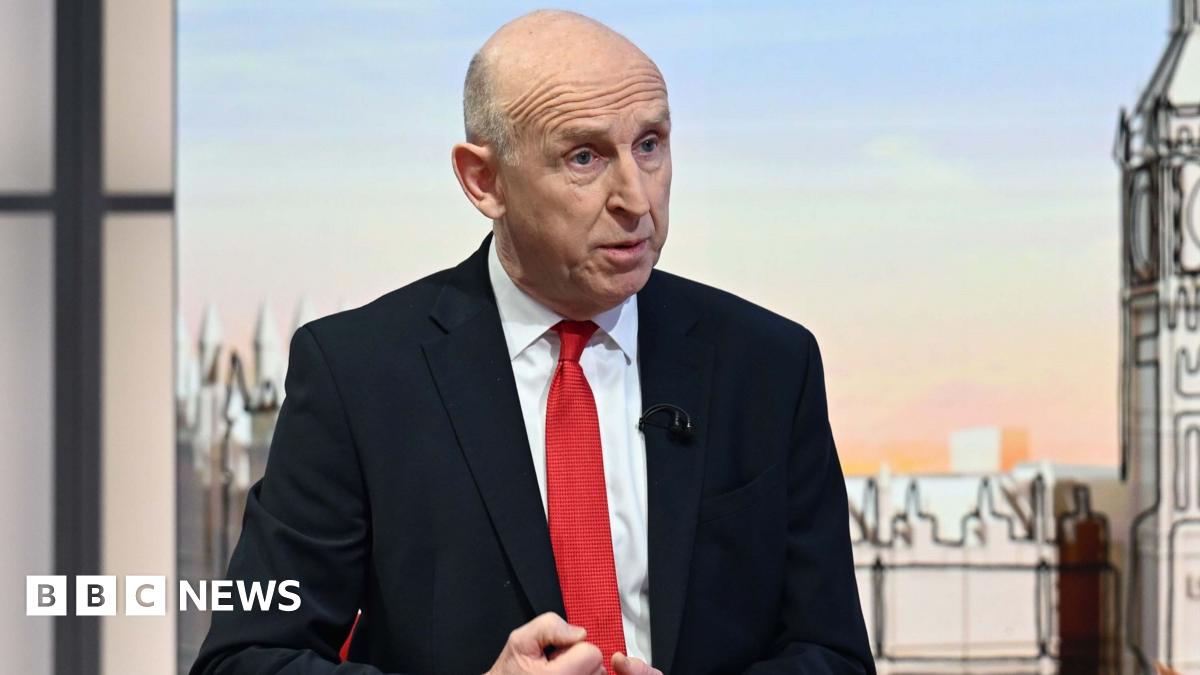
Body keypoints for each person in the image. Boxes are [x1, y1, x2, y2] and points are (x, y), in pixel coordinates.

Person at [191, 10, 873, 675]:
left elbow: (834, 654)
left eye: (650, 145)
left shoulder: (769, 366)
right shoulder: (359, 375)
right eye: (584, 156)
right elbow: (244, 658)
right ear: (483, 181)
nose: (635, 197)